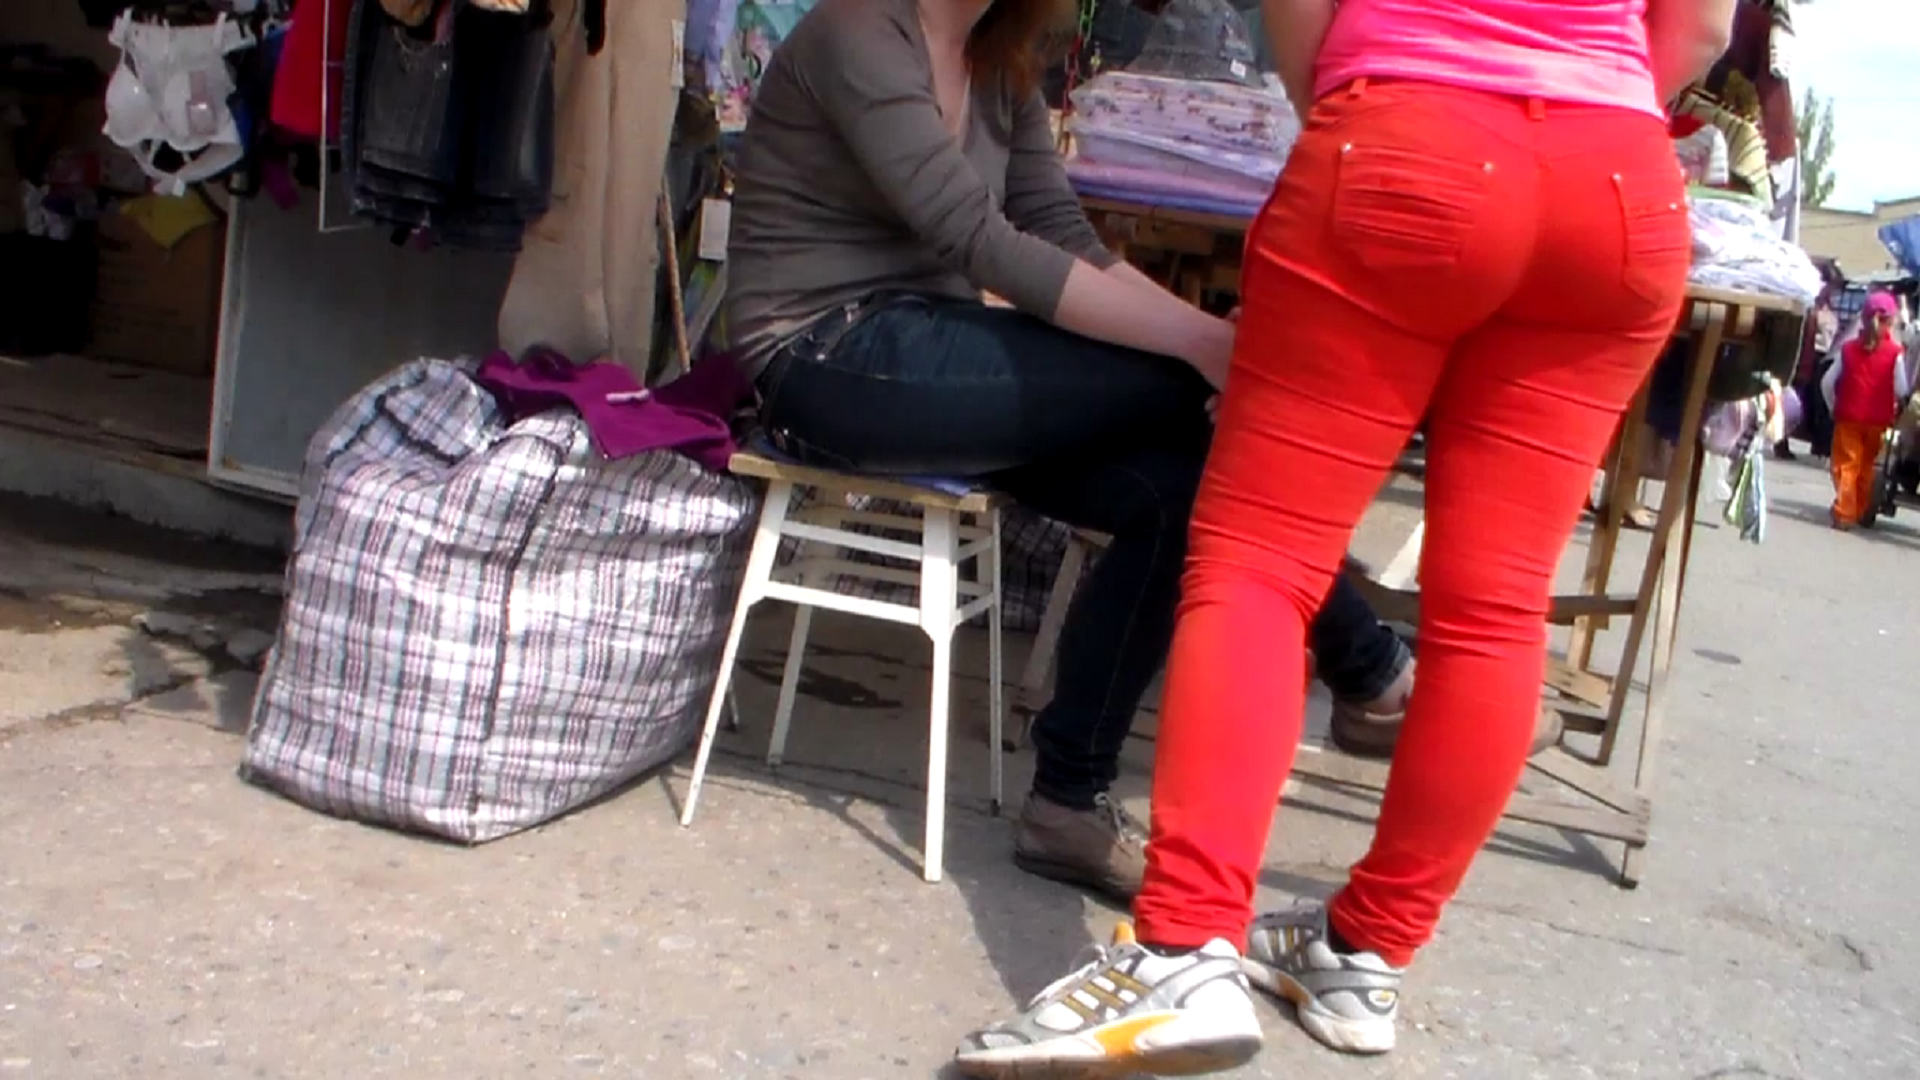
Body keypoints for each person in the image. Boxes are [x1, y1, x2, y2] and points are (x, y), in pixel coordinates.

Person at [953, 0, 1737, 1073]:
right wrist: (1582, 116)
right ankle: (1368, 953)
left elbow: (1300, 16)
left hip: (1408, 138)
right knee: (1498, 607)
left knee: (1260, 560)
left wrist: (1373, 118)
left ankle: (1184, 950)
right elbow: (1701, 31)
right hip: (1616, 180)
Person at [724, 0, 1415, 901]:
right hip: (824, 352)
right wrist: (1208, 349)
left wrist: (1210, 342)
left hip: (938, 347)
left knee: (1179, 488)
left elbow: (1062, 234)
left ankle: (1066, 803)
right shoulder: (858, 30)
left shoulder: (998, 54)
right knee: (1191, 391)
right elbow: (977, 240)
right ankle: (1371, 667)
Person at [1820, 290, 1909, 530]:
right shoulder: (1895, 353)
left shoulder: (1848, 349)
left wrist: (1832, 405)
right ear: (1891, 321)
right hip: (1878, 421)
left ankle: (1845, 512)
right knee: (1865, 466)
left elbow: (1827, 382)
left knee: (1846, 465)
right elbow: (1901, 388)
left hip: (1848, 416)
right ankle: (1857, 508)